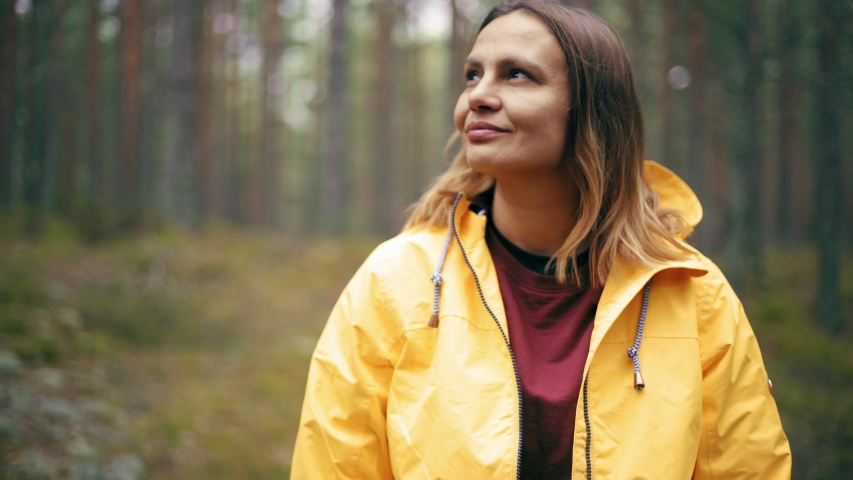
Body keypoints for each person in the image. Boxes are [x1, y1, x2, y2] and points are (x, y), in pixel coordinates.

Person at [291, 1, 792, 478]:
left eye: (516, 74)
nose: (478, 96)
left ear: (592, 109)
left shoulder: (695, 295)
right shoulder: (396, 280)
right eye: (472, 74)